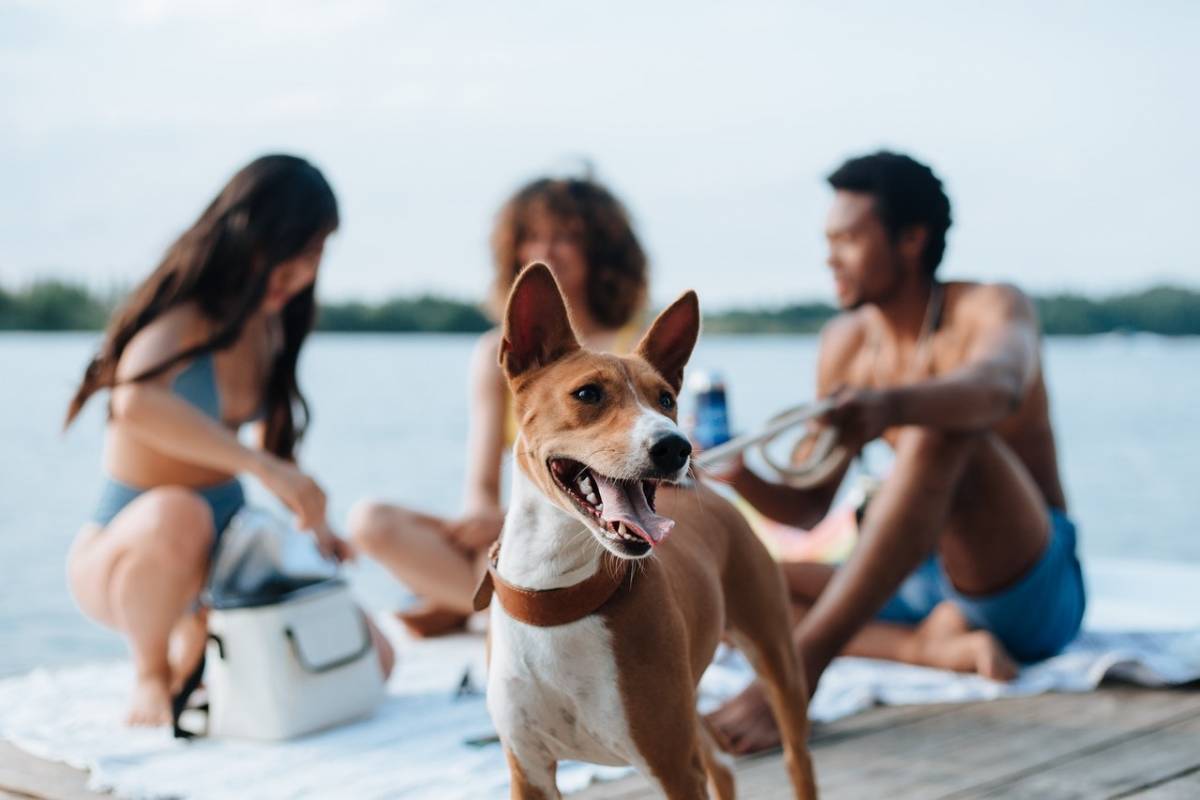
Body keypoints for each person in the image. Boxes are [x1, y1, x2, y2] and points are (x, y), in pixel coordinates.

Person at [706, 151, 1085, 753]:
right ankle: (928, 648)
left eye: (850, 238)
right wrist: (738, 472)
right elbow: (808, 505)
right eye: (828, 239)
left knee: (943, 428)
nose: (830, 256)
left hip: (1024, 587)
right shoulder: (846, 342)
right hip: (914, 584)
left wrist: (892, 406)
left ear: (912, 239)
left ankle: (798, 671)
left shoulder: (990, 306)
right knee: (725, 595)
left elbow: (998, 385)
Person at [64, 155, 393, 726]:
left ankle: (192, 647)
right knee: (178, 512)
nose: (301, 272)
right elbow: (133, 401)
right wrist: (259, 467)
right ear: (248, 236)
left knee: (372, 660)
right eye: (295, 250)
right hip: (132, 549)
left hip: (227, 550)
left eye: (316, 255)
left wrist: (315, 527)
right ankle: (149, 673)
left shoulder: (270, 323)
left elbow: (278, 445)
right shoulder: (186, 315)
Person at [350, 174, 649, 633]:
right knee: (370, 521)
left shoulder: (635, 348)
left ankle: (475, 602)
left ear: (603, 253)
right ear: (513, 250)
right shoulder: (499, 354)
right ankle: (489, 600)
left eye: (566, 237)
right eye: (533, 236)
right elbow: (482, 483)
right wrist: (485, 516)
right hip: (515, 527)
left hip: (602, 526)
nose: (547, 250)